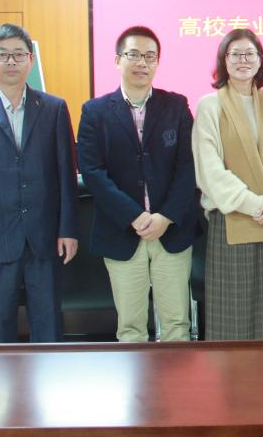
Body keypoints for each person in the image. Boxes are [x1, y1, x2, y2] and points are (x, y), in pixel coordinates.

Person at [0, 23, 79, 343]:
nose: (11, 61)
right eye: (2, 54)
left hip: (45, 238)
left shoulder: (53, 108)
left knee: (48, 325)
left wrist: (68, 230)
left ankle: (46, 375)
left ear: (30, 60)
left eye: (19, 54)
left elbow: (66, 174)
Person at [77, 26, 197, 342]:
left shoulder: (176, 106)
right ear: (118, 60)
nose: (142, 62)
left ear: (157, 62)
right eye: (134, 55)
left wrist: (165, 216)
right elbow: (92, 172)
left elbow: (189, 167)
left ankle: (175, 378)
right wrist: (134, 215)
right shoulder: (95, 112)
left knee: (176, 325)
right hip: (121, 231)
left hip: (170, 230)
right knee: (130, 328)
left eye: (150, 56)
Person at [192, 29, 263, 340]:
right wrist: (255, 205)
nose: (243, 60)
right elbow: (210, 170)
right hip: (232, 221)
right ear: (223, 61)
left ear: (260, 60)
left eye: (250, 54)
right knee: (232, 320)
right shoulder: (209, 106)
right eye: (235, 54)